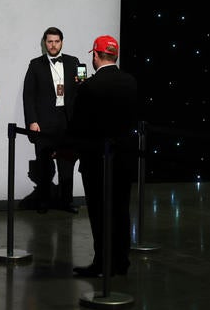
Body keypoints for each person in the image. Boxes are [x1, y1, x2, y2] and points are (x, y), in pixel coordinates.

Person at [70, 35, 138, 278]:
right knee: (121, 211)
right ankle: (121, 262)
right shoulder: (130, 82)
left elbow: (78, 126)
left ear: (96, 56)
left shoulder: (89, 86)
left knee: (99, 214)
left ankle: (102, 263)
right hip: (124, 158)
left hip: (96, 159)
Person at [23, 27, 80, 213]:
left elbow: (81, 92)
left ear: (61, 42)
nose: (53, 45)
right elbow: (28, 96)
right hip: (44, 121)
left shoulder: (75, 63)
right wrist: (32, 121)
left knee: (67, 164)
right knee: (44, 164)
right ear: (44, 43)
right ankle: (44, 201)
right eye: (49, 41)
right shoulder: (35, 64)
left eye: (56, 41)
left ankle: (66, 201)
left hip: (68, 121)